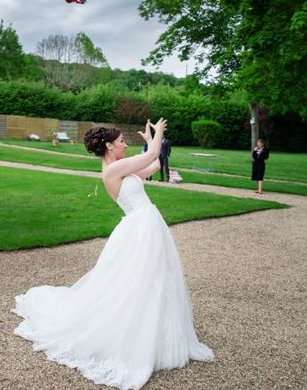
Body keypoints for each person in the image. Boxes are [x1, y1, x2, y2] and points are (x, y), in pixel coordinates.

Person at [13, 119, 214, 390]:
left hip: (148, 226)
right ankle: (134, 335)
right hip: (140, 228)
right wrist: (158, 135)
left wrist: (149, 141)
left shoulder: (121, 167)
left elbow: (152, 165)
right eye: (121, 141)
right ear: (109, 146)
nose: (125, 144)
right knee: (138, 281)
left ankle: (159, 335)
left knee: (156, 278)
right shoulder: (112, 169)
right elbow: (152, 155)